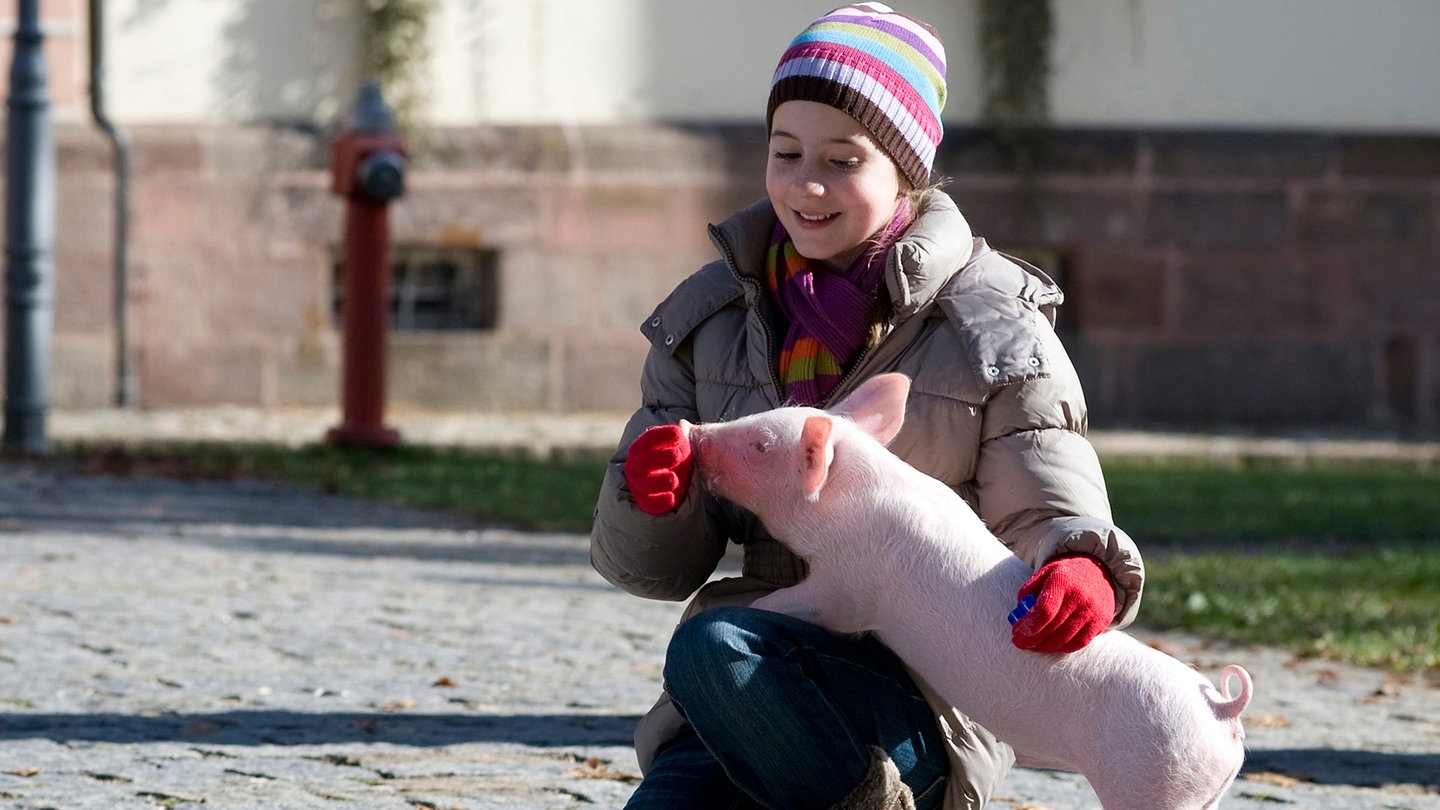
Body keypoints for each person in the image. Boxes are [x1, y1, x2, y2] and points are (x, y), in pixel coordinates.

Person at [590, 4, 1144, 808]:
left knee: (713, 641)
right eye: (785, 153)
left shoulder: (988, 322)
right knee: (710, 660)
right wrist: (652, 496)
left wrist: (1082, 565)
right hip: (749, 684)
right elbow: (649, 568)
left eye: (842, 160)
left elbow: (1048, 491)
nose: (806, 185)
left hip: (922, 697)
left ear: (904, 173)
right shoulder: (710, 319)